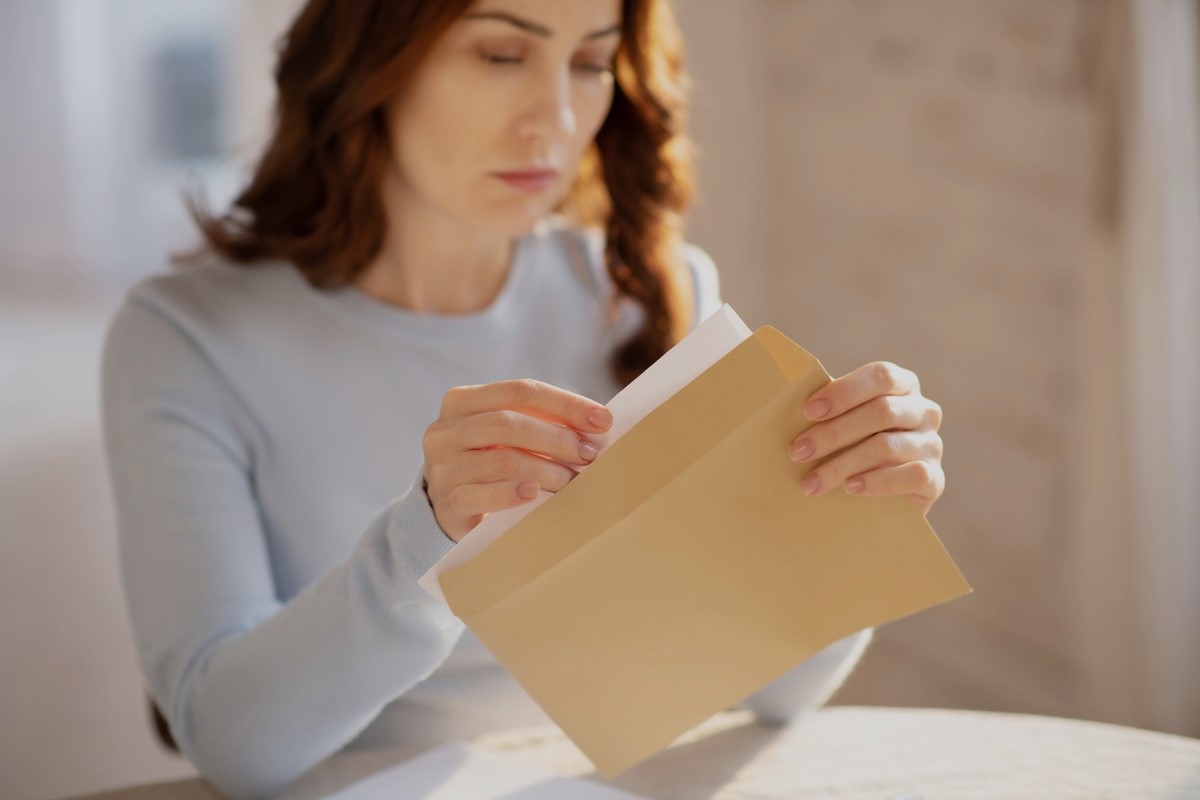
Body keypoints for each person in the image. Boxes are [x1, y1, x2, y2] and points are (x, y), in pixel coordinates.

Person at [100, 0, 946, 797]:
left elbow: (772, 695)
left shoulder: (652, 289)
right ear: (369, 55)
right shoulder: (184, 337)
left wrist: (848, 513)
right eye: (501, 53)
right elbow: (230, 744)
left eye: (591, 62)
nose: (557, 120)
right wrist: (422, 539)